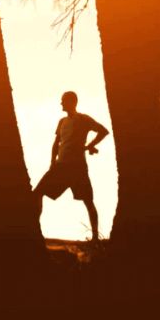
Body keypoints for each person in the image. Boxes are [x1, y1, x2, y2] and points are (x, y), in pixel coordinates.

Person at [32, 90, 109, 241]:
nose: (61, 103)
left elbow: (103, 131)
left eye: (63, 101)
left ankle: (95, 237)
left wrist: (89, 145)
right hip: (60, 167)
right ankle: (35, 230)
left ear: (72, 102)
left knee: (88, 201)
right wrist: (52, 162)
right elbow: (56, 143)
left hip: (78, 168)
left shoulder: (84, 119)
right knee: (37, 193)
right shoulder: (62, 122)